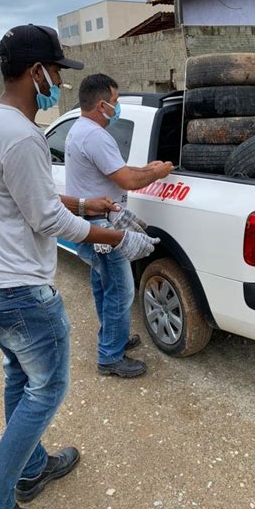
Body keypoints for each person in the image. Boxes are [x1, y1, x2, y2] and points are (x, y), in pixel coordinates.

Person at [0, 24, 160, 509]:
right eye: (55, 71)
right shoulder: (24, 136)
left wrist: (83, 202)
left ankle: (30, 469)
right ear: (35, 72)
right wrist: (120, 237)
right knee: (47, 388)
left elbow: (33, 195)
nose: (58, 83)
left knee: (19, 375)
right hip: (18, 291)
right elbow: (48, 219)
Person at [65, 73, 174, 378]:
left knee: (104, 284)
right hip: (101, 226)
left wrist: (147, 168)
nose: (118, 107)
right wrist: (157, 173)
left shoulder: (80, 129)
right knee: (121, 291)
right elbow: (126, 180)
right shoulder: (97, 136)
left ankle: (114, 337)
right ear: (102, 105)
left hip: (89, 221)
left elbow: (117, 171)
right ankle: (110, 357)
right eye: (115, 102)